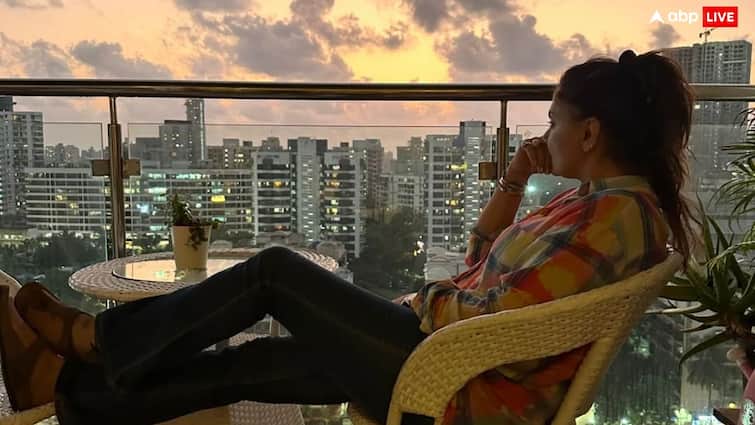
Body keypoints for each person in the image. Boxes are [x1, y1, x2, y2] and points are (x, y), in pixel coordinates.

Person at [0, 48, 696, 425]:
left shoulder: (614, 218)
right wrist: (512, 185)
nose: (545, 133)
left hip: (455, 382)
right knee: (253, 364)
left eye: (552, 120)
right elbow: (483, 261)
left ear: (588, 132)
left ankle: (98, 341)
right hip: (448, 356)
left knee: (273, 272)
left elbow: (503, 323)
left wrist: (422, 303)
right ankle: (70, 394)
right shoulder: (598, 205)